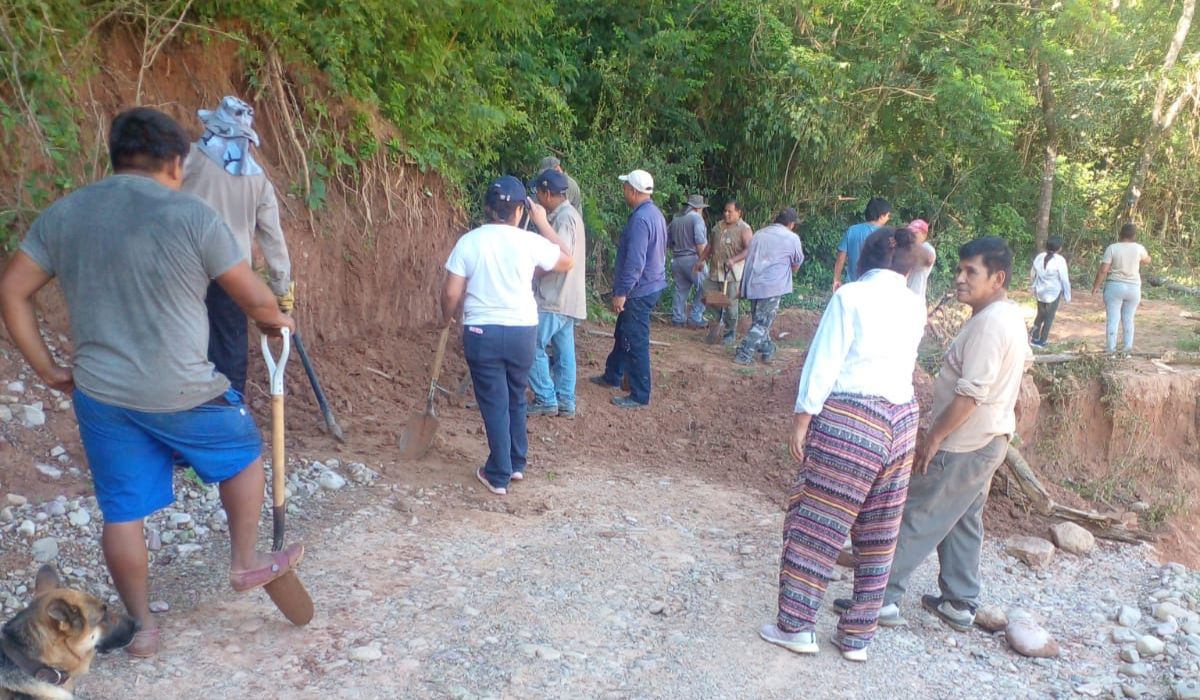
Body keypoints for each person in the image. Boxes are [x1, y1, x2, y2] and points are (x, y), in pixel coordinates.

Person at [0, 107, 302, 658]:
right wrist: (273, 318)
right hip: (183, 388)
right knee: (242, 451)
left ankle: (143, 627)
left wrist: (45, 369)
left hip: (102, 394)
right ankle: (244, 562)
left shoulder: (65, 214)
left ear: (115, 157)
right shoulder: (191, 215)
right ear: (176, 161)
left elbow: (12, 290)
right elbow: (252, 294)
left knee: (122, 510)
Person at [759, 227, 927, 662]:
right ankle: (857, 638)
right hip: (903, 420)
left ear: (861, 260)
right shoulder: (915, 305)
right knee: (879, 533)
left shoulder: (849, 297)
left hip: (852, 417)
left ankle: (795, 627)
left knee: (816, 524)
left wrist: (802, 420)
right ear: (907, 267)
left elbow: (824, 360)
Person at [853, 237, 1031, 633]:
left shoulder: (990, 325)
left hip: (966, 441)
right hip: (990, 439)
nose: (960, 279)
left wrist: (933, 438)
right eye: (959, 269)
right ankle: (959, 601)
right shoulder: (1005, 315)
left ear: (997, 278)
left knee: (919, 514)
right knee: (963, 519)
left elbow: (970, 395)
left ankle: (879, 599)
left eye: (971, 272)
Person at [442, 176, 573, 495]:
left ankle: (498, 473)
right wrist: (543, 223)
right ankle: (515, 462)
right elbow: (567, 259)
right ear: (519, 211)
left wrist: (445, 316)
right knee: (514, 395)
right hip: (522, 332)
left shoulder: (469, 242)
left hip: (482, 331)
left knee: (493, 401)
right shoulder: (530, 242)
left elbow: (451, 292)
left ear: (488, 209)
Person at [181, 96, 293, 394]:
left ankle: (182, 411)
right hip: (233, 275)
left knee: (183, 342)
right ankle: (229, 411)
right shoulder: (259, 181)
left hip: (184, 268)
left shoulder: (187, 159)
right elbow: (273, 241)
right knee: (229, 349)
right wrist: (282, 292)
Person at [590, 169, 668, 408]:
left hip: (639, 290)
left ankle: (639, 394)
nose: (623, 190)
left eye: (625, 187)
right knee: (623, 332)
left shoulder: (640, 220)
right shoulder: (655, 214)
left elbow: (635, 262)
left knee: (636, 339)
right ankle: (613, 374)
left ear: (633, 191)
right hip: (651, 284)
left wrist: (622, 292)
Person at [526, 169, 587, 418]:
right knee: (564, 350)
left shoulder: (562, 219)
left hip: (554, 296)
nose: (537, 198)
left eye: (538, 193)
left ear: (547, 193)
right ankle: (565, 400)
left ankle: (546, 398)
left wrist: (529, 273)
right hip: (569, 298)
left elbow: (559, 258)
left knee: (531, 345)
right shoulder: (570, 215)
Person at [734, 207, 805, 365]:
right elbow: (797, 263)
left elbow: (749, 259)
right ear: (791, 224)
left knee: (759, 321)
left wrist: (743, 285)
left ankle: (767, 349)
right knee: (761, 323)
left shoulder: (759, 234)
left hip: (753, 283)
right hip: (772, 286)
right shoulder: (792, 238)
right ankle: (744, 354)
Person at [696, 200, 753, 345]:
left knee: (731, 305)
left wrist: (734, 260)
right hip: (716, 272)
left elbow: (749, 249)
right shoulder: (718, 227)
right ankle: (715, 327)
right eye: (725, 211)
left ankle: (730, 333)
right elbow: (710, 245)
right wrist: (701, 260)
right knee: (708, 296)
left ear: (739, 213)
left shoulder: (744, 229)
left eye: (730, 211)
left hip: (733, 274)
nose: (726, 214)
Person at [1092, 223, 1150, 355]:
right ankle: (1127, 350)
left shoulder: (1112, 248)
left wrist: (1096, 286)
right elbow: (1147, 261)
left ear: (1120, 234)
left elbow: (1104, 270)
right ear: (1134, 235)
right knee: (1129, 319)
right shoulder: (1139, 248)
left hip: (1114, 287)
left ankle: (1111, 350)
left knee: (1113, 319)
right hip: (1133, 288)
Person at [667, 194, 709, 328]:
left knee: (681, 289)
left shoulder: (676, 219)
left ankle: (678, 318)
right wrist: (702, 260)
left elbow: (668, 241)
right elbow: (699, 240)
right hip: (692, 258)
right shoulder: (696, 219)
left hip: (677, 259)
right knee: (706, 286)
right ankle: (696, 316)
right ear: (698, 208)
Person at [832, 197, 891, 291]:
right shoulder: (886, 235)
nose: (888, 218)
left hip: (852, 285)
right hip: (876, 287)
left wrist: (836, 279)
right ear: (881, 216)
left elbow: (841, 257)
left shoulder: (852, 230)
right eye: (888, 215)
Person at [1029, 237, 1071, 348]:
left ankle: (1033, 337)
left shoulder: (1039, 257)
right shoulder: (1060, 260)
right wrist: (1067, 295)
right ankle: (1042, 341)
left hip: (1040, 291)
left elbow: (1033, 273)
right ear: (1059, 248)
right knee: (1049, 317)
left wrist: (1033, 285)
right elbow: (1064, 279)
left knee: (1040, 315)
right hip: (1053, 293)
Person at [906, 219, 936, 300]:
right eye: (910, 233)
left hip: (916, 296)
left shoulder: (927, 248)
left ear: (924, 234)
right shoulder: (908, 247)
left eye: (915, 233)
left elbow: (928, 259)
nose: (911, 236)